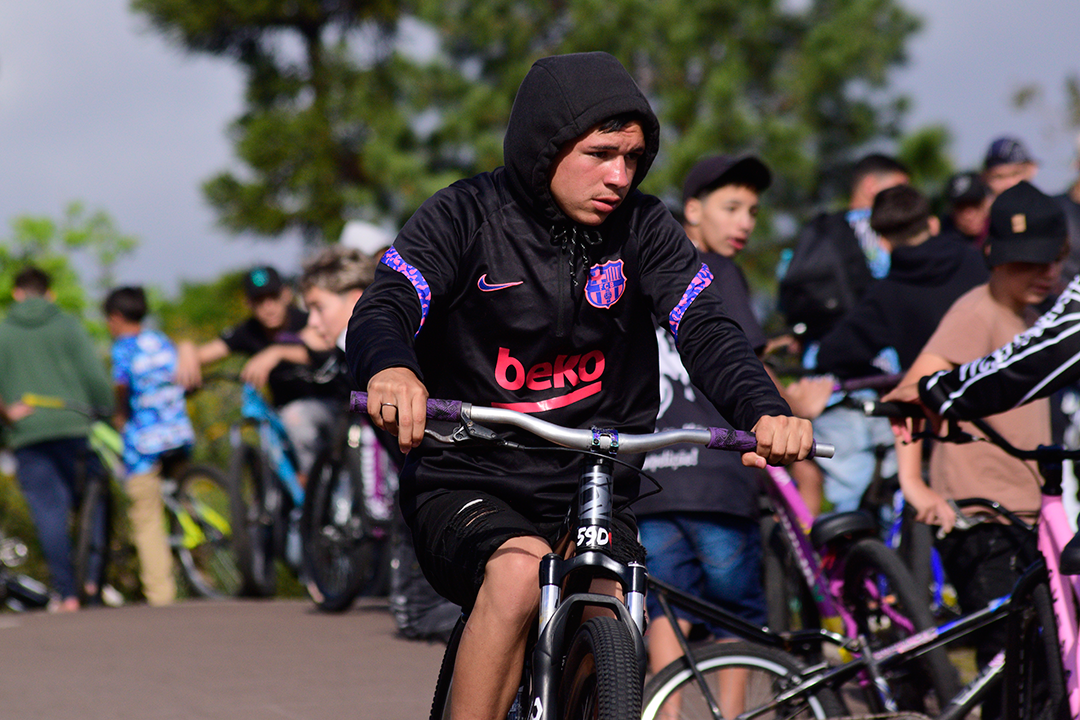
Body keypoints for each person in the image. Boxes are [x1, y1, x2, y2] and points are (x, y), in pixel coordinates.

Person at [346, 52, 813, 720]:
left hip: (594, 483)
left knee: (613, 606)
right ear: (545, 144)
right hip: (470, 477)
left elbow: (706, 327)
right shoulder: (463, 215)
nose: (619, 176)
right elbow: (387, 302)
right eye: (600, 154)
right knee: (519, 573)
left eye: (633, 158)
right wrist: (391, 367)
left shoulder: (646, 229)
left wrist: (764, 408)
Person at [889, 180, 1065, 720]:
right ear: (992, 256)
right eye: (1025, 263)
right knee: (1008, 663)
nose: (1043, 273)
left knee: (1039, 667)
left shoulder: (1037, 319)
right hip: (982, 520)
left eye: (1052, 259)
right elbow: (908, 393)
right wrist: (914, 485)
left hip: (1027, 518)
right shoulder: (976, 312)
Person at [635, 154, 773, 699]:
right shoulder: (715, 272)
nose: (745, 223)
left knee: (666, 608)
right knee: (735, 613)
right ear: (692, 210)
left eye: (753, 212)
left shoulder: (639, 268)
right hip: (719, 477)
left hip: (653, 477)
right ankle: (731, 715)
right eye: (731, 208)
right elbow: (749, 363)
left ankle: (662, 712)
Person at [0, 266, 114, 612]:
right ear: (49, 293)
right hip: (74, 428)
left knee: (49, 513)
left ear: (17, 293)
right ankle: (92, 581)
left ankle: (68, 594)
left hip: (27, 434)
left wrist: (7, 416)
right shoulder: (68, 325)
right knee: (96, 500)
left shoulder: (3, 331)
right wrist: (105, 411)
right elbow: (95, 377)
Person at [176, 265, 337, 484]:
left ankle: (315, 486)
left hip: (336, 402)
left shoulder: (307, 320)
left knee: (296, 417)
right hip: (285, 417)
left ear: (286, 294)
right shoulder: (248, 331)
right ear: (249, 304)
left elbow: (324, 349)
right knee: (276, 430)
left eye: (273, 297)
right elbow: (204, 353)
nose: (268, 307)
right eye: (259, 301)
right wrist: (186, 349)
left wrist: (277, 352)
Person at [104, 286, 196, 607]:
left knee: (146, 518)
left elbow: (121, 388)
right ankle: (204, 577)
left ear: (116, 317)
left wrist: (119, 416)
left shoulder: (123, 348)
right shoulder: (160, 340)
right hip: (178, 434)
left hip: (144, 443)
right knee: (185, 504)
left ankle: (161, 595)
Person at [778, 153, 911, 344]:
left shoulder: (821, 227)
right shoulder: (875, 228)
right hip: (872, 347)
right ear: (870, 185)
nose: (906, 199)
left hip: (820, 346)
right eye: (899, 189)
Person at [940, 171, 991, 247]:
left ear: (987, 204)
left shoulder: (1003, 233)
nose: (969, 216)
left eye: (975, 205)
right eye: (961, 208)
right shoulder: (943, 243)